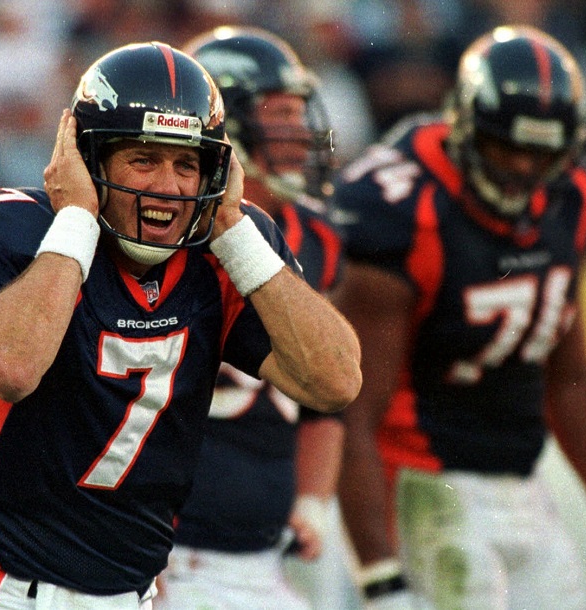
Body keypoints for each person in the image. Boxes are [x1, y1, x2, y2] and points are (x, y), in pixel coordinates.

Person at [0, 41, 362, 609]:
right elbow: (12, 366)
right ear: (88, 158)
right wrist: (76, 220)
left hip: (134, 594)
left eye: (187, 163)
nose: (169, 188)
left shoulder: (222, 249)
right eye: (143, 159)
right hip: (5, 590)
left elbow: (336, 381)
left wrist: (237, 235)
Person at [331, 25, 586, 609]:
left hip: (523, 484)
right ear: (464, 125)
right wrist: (379, 574)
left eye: (543, 153)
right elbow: (353, 412)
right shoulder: (405, 208)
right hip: (424, 485)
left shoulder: (572, 195)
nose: (524, 169)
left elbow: (568, 372)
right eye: (508, 147)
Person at [154, 26, 351, 610]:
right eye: (279, 114)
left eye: (300, 114)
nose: (299, 133)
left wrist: (313, 500)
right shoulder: (168, 234)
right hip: (177, 554)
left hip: (270, 553)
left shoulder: (316, 234)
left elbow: (329, 394)